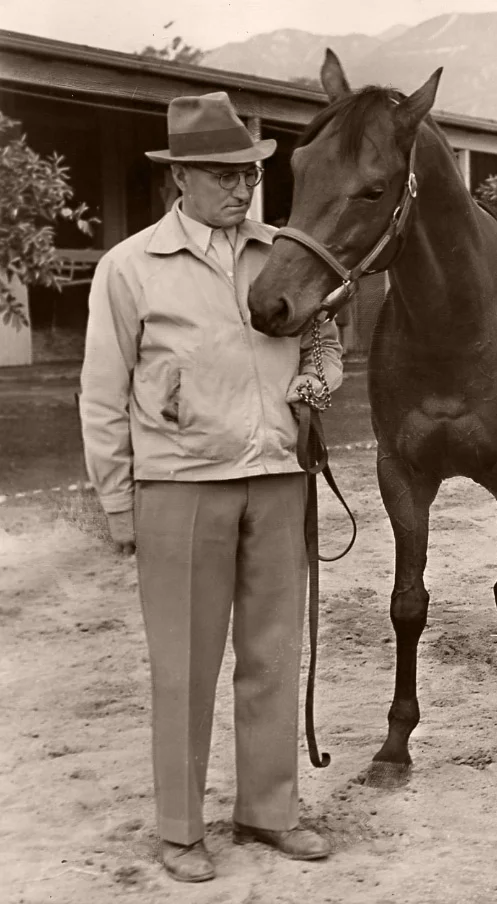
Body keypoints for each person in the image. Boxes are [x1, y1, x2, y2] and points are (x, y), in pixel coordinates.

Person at [80, 91, 343, 883]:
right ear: (181, 179)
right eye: (225, 175)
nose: (243, 190)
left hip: (275, 481)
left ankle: (268, 811)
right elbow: (101, 396)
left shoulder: (281, 257)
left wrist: (319, 378)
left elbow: (323, 343)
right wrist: (120, 505)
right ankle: (179, 830)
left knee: (271, 655)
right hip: (180, 489)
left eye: (250, 174)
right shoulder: (130, 267)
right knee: (185, 666)